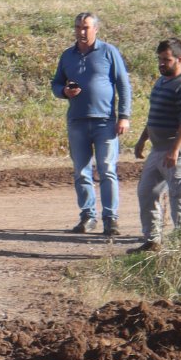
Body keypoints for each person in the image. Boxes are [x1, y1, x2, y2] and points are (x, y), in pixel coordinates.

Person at [51, 12, 132, 236]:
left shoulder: (108, 52)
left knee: (107, 170)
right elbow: (56, 84)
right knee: (81, 172)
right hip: (77, 121)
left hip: (105, 121)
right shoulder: (68, 55)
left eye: (86, 27)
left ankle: (110, 218)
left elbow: (123, 85)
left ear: (96, 29)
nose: (81, 31)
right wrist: (64, 91)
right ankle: (87, 216)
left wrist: (124, 116)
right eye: (78, 27)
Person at [131, 38, 181, 252]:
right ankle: (153, 241)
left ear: (179, 59)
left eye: (166, 60)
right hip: (158, 148)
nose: (161, 63)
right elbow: (153, 116)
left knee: (179, 196)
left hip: (177, 150)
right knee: (146, 191)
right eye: (160, 59)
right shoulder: (161, 82)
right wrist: (143, 139)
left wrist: (175, 150)